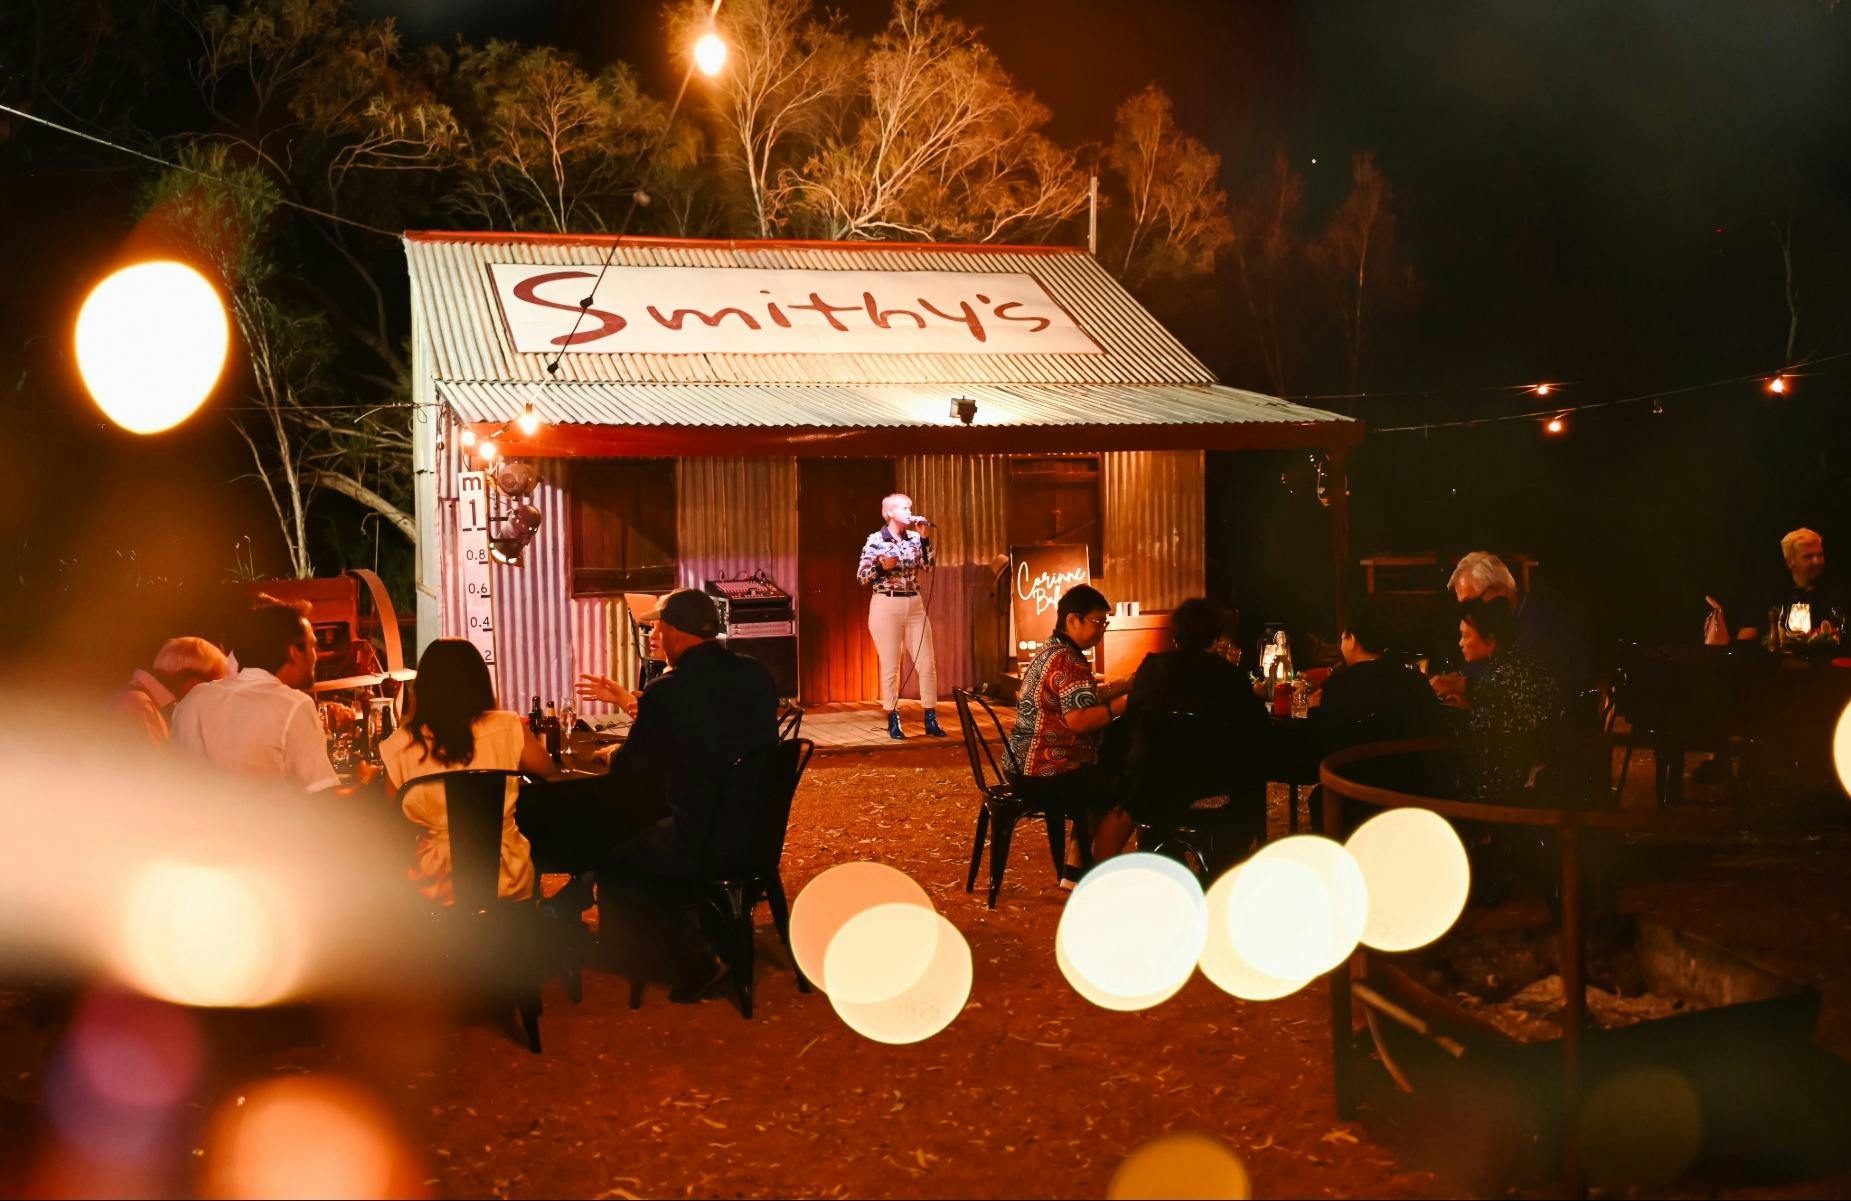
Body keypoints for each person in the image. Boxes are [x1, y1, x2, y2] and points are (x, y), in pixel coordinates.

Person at [517, 589, 779, 1002]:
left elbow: (632, 771)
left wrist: (617, 752)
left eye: (658, 625)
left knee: (617, 856)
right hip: (758, 828)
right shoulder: (755, 674)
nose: (654, 632)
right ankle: (699, 927)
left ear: (674, 632)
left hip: (703, 835)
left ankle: (697, 958)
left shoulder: (668, 690)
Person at [379, 639, 558, 905]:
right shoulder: (508, 726)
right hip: (509, 878)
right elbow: (549, 774)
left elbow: (393, 821)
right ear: (479, 682)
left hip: (435, 884)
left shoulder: (397, 746)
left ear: (424, 688)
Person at [1118, 597, 1270, 850]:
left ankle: (1164, 853)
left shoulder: (1152, 669)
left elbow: (1132, 723)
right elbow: (1257, 732)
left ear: (1176, 635)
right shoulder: (1228, 676)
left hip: (1152, 791)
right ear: (1216, 637)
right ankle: (1223, 863)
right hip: (1208, 795)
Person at [1007, 585, 1135, 871]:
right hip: (1047, 770)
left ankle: (1076, 867)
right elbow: (1079, 720)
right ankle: (1091, 868)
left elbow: (1078, 698)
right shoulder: (1070, 659)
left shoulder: (1051, 649)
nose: (1102, 629)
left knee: (1103, 768)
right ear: (1072, 620)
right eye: (1098, 621)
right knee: (1126, 785)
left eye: (1105, 622)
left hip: (1021, 765)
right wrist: (1125, 703)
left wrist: (1123, 684)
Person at [171, 596, 338, 792]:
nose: (316, 656)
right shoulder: (294, 706)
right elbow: (322, 798)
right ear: (294, 652)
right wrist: (366, 784)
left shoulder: (193, 699)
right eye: (313, 646)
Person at [1450, 597, 1566, 804]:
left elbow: (1484, 747)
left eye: (1465, 636)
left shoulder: (1497, 678)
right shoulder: (1527, 663)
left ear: (1491, 640)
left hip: (1511, 790)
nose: (1460, 643)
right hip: (1548, 773)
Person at [1433, 551, 1587, 701]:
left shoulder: (1543, 623)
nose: (1466, 614)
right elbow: (1481, 667)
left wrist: (1464, 685)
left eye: (1470, 604)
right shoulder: (1499, 626)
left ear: (1498, 590)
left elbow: (1529, 687)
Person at [857, 492, 944, 740]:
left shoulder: (916, 538)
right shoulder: (876, 540)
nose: (909, 511)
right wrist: (879, 567)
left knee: (927, 662)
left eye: (910, 507)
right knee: (891, 665)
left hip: (914, 604)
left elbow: (928, 566)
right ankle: (893, 718)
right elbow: (862, 576)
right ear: (890, 513)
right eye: (904, 508)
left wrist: (925, 539)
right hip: (887, 606)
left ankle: (930, 717)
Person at [1313, 603, 1444, 743]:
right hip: (1408, 763)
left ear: (1352, 640)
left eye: (1341, 640)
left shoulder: (1337, 685)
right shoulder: (1416, 681)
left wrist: (1312, 709)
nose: (1341, 646)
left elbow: (1326, 739)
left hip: (1354, 764)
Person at [1713, 527, 1848, 643]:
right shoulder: (1768, 594)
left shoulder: (1837, 592)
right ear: (1790, 562)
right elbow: (1747, 636)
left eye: (1820, 554)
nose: (1817, 561)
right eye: (1808, 557)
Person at [114, 636, 230, 746]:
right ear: (192, 680)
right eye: (212, 687)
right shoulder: (139, 705)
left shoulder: (142, 701)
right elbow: (154, 765)